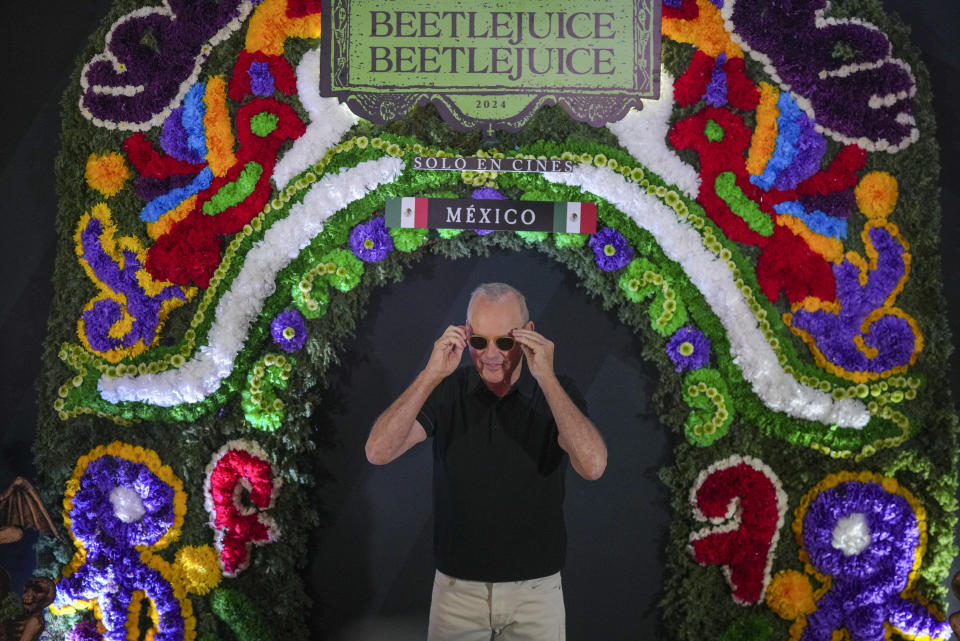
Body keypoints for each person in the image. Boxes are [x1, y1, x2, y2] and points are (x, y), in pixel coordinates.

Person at [365, 282, 607, 641]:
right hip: (457, 591)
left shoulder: (557, 392)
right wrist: (431, 375)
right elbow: (378, 451)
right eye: (479, 341)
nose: (491, 354)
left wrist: (547, 379)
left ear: (528, 336)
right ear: (465, 336)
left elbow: (593, 466)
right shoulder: (448, 389)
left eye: (505, 342)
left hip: (536, 593)